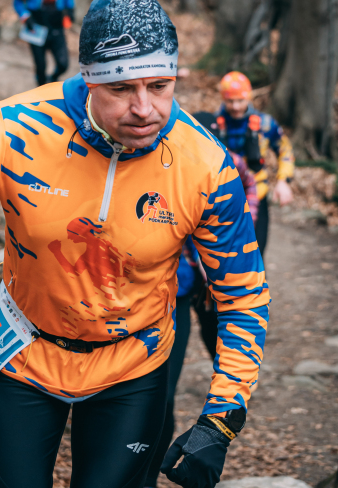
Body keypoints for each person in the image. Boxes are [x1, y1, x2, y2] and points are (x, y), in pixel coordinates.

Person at [0, 0, 270, 488]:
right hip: (24, 352)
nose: (145, 108)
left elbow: (242, 295)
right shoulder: (12, 128)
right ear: (89, 80)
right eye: (122, 89)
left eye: (160, 86)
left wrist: (221, 419)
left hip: (134, 364)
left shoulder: (205, 165)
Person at [144, 111, 260, 488]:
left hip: (199, 288)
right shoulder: (168, 164)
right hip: (168, 291)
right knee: (157, 393)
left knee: (171, 384)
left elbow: (250, 189)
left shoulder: (226, 165)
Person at [216, 71, 294, 256]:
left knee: (256, 251)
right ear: (223, 99)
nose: (235, 106)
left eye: (240, 100)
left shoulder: (265, 124)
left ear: (248, 98)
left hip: (258, 195)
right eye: (230, 101)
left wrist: (283, 181)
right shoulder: (213, 125)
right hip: (223, 198)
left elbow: (285, 150)